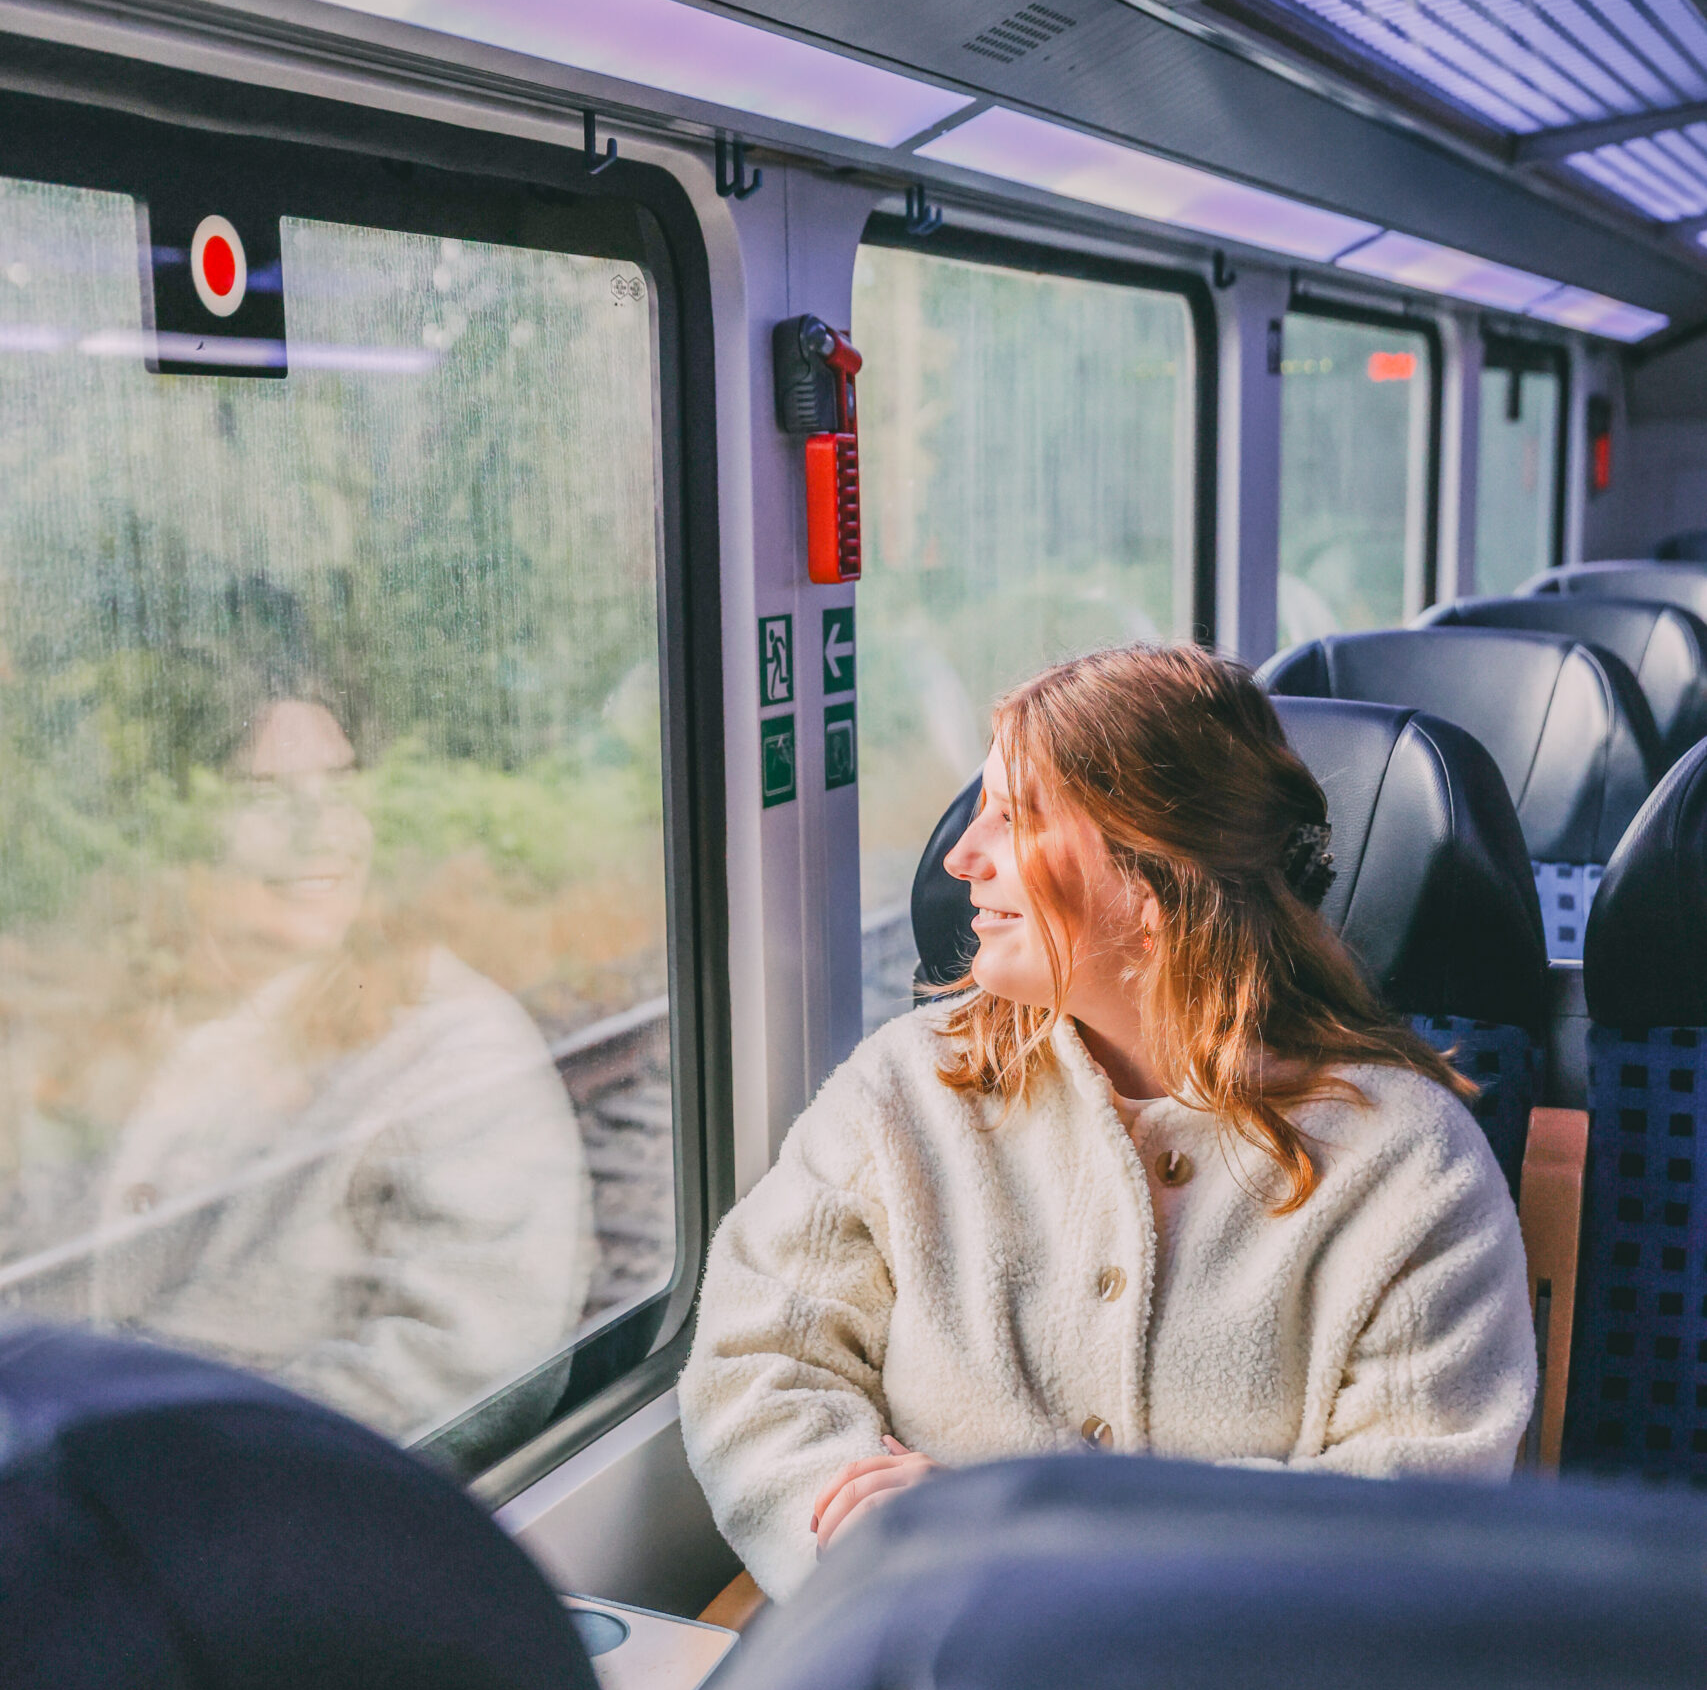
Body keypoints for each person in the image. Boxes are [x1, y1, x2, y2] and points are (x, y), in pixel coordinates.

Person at [680, 644, 1535, 1602]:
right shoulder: (905, 1089)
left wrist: (1018, 1536)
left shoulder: (1408, 1165)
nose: (961, 856)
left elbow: (1409, 1521)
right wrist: (877, 1563)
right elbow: (762, 1366)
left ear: (1157, 878)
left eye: (1015, 818)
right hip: (917, 1651)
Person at [90, 695, 591, 1442]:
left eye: (342, 788)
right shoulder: (123, 1009)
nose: (319, 830)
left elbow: (480, 1365)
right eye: (264, 796)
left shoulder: (455, 1042)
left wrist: (193, 1473)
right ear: (181, 830)